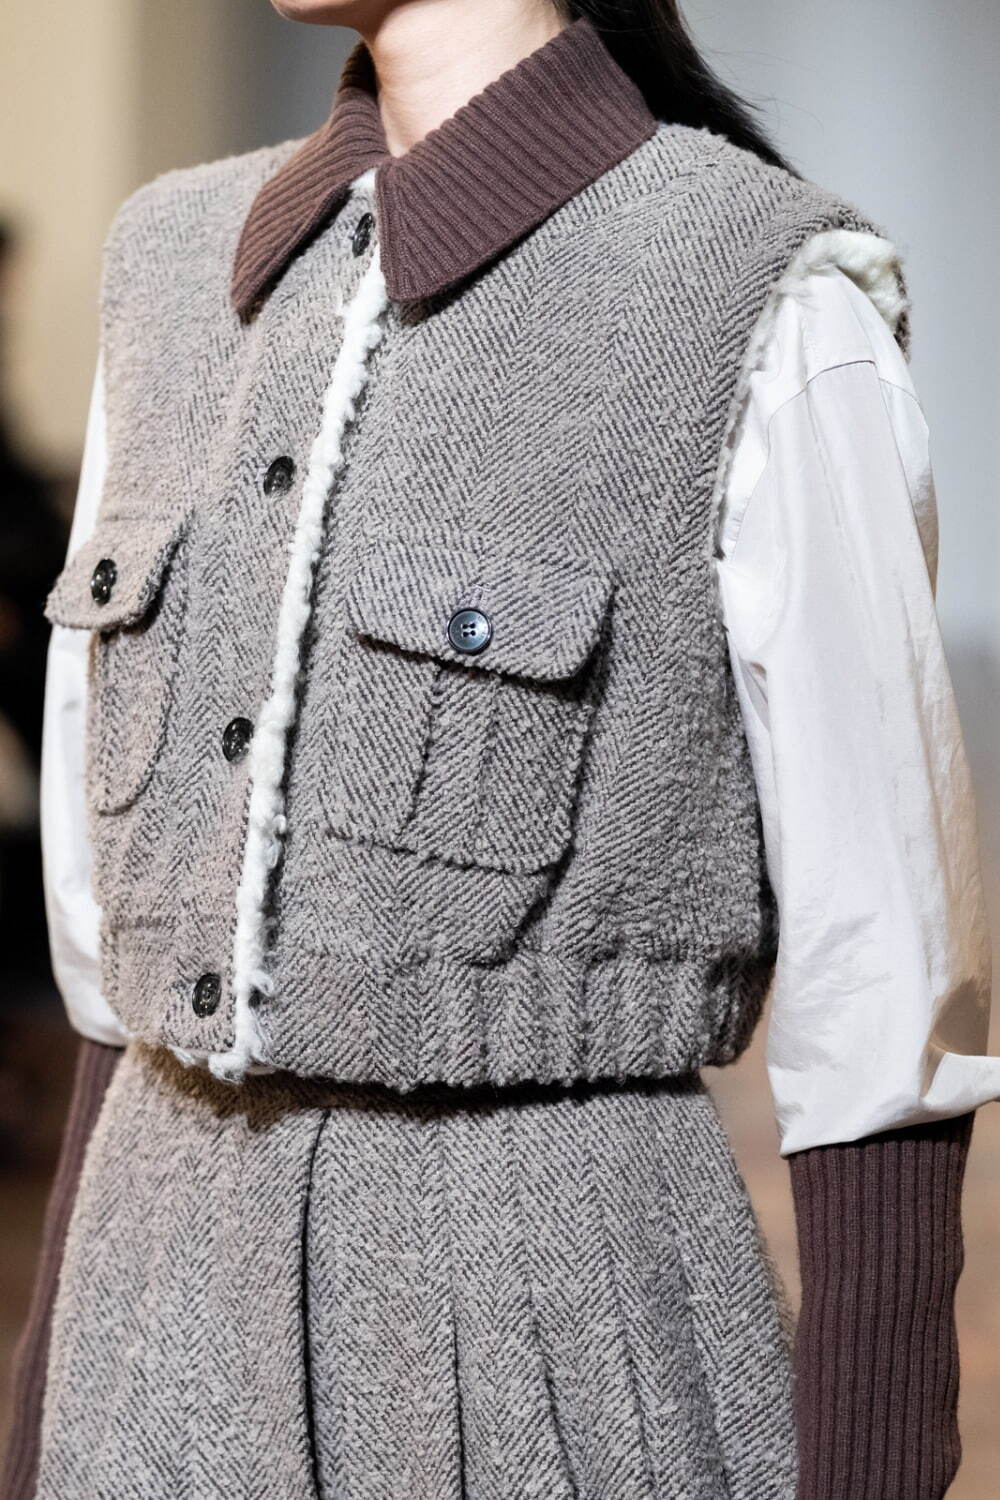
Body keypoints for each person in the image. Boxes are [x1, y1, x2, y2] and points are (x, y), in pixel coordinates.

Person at [3, 2, 997, 1497]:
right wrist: (41, 1423)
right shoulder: (169, 265)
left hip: (549, 1333)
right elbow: (114, 963)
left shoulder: (760, 293)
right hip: (146, 1334)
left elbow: (886, 1009)